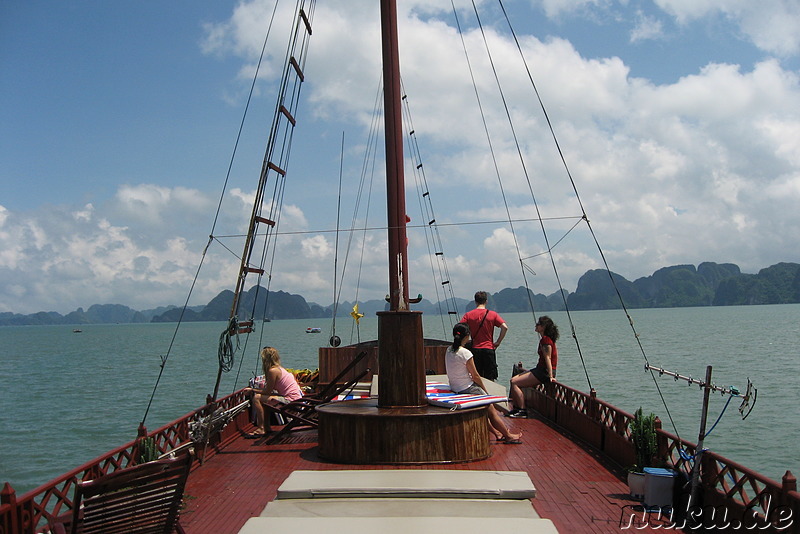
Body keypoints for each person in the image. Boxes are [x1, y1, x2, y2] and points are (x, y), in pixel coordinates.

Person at [446, 322, 521, 443]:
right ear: (467, 336)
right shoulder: (465, 353)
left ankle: (496, 433)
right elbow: (475, 376)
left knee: (483, 408)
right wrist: (485, 390)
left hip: (455, 388)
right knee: (491, 409)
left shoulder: (449, 350)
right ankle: (508, 435)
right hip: (467, 388)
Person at [243, 346, 303, 437]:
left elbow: (267, 391)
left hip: (291, 402)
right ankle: (266, 427)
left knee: (257, 398)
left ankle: (261, 428)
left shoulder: (273, 371)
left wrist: (252, 390)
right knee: (266, 400)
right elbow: (270, 392)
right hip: (297, 400)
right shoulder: (280, 369)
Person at [507, 315, 559, 418]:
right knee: (513, 380)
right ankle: (517, 408)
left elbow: (548, 358)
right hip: (540, 369)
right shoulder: (545, 339)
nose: (536, 325)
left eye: (538, 324)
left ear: (543, 327)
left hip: (543, 371)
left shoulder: (546, 340)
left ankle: (522, 410)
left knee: (514, 383)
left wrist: (550, 375)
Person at [460, 291, 508, 381]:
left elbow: (459, 328)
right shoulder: (493, 314)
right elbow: (504, 328)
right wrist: (498, 342)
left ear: (475, 301)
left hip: (475, 350)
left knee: (476, 377)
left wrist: (463, 342)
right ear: (486, 301)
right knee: (490, 378)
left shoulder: (468, 315)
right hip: (489, 350)